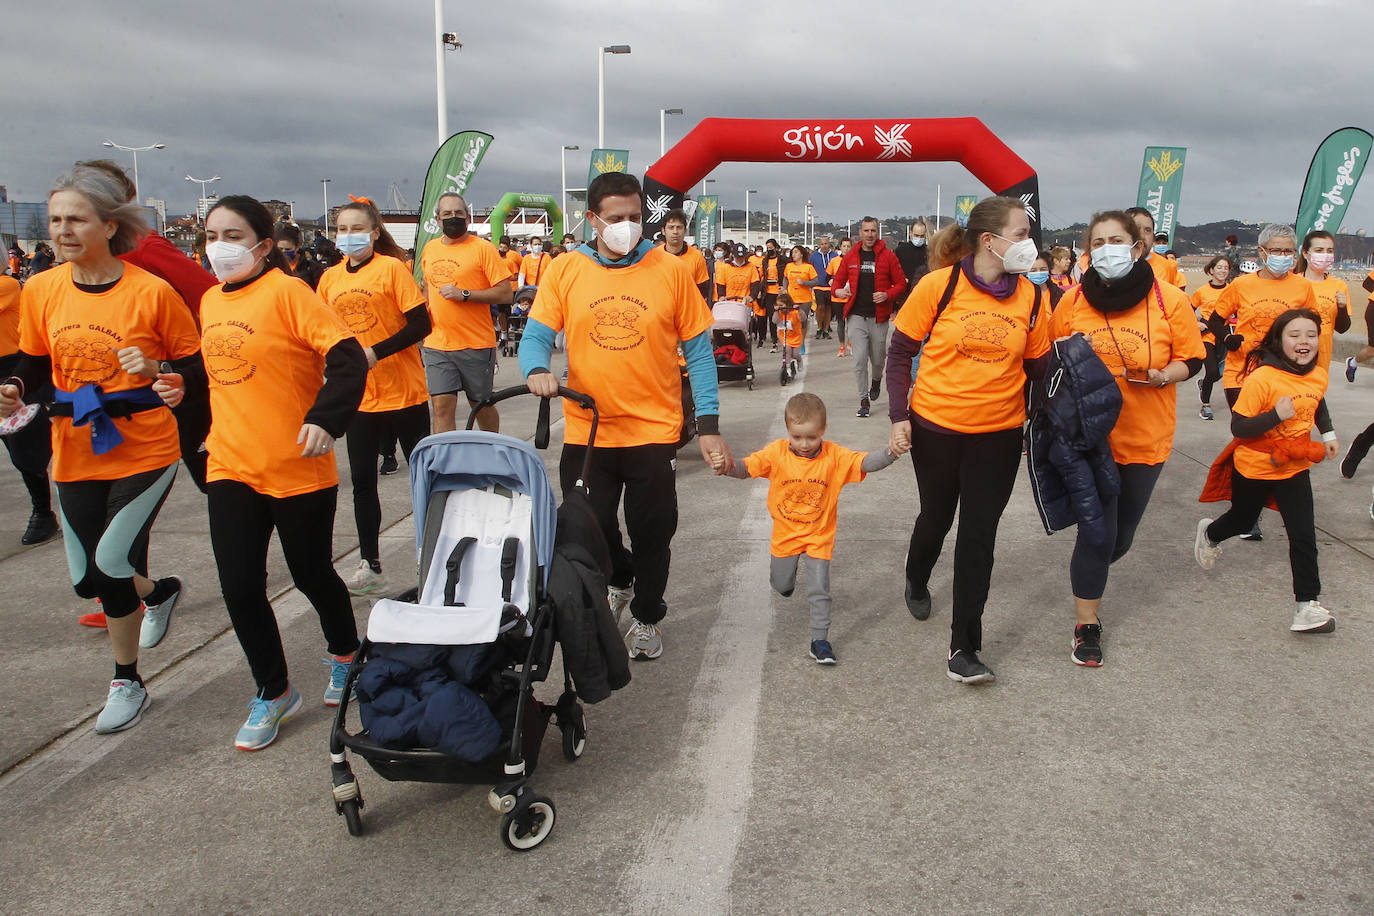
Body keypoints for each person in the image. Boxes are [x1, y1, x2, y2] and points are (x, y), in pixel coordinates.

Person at [0, 164, 201, 733]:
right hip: (74, 445)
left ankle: (127, 680)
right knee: (87, 580)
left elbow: (191, 363)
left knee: (112, 564)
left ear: (109, 226)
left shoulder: (151, 293)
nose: (63, 230)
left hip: (145, 445)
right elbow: (35, 361)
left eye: (76, 220)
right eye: (56, 219)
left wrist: (162, 370)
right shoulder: (41, 289)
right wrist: (15, 388)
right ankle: (159, 593)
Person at [519, 171, 733, 661]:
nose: (627, 226)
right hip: (588, 429)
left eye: (636, 217)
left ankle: (647, 615)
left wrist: (709, 426)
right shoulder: (565, 270)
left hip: (654, 430)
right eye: (616, 218)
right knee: (589, 529)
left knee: (654, 530)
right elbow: (536, 335)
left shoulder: (671, 270)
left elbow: (699, 355)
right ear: (592, 219)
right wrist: (535, 369)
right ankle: (619, 576)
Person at [200, 195, 368, 750]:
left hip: (297, 464)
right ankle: (273, 691)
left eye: (231, 235)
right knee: (240, 584)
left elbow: (345, 357)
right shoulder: (208, 302)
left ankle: (346, 654)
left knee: (311, 572)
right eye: (210, 235)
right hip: (230, 464)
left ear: (264, 245)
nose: (218, 247)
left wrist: (327, 418)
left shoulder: (289, 293)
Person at [884, 196, 1049, 684]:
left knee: (978, 536)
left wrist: (1041, 422)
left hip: (997, 437)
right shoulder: (939, 286)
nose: (1028, 244)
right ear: (988, 240)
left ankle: (963, 646)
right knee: (936, 516)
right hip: (935, 428)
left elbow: (1040, 369)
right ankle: (917, 576)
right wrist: (898, 416)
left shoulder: (1034, 297)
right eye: (1020, 234)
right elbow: (899, 353)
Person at [1047, 210, 1205, 667]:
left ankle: (1093, 570)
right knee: (1097, 534)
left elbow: (1193, 359)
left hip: (1147, 434)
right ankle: (1087, 625)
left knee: (1121, 538)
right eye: (1097, 242)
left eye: (1116, 239)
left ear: (1137, 246)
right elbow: (1051, 361)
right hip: (1089, 440)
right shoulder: (1073, 301)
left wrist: (1163, 375)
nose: (1107, 248)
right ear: (1087, 252)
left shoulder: (1170, 299)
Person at [722, 393, 901, 663]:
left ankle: (820, 641)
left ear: (823, 431)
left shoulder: (834, 456)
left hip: (820, 536)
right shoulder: (776, 453)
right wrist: (725, 466)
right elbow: (746, 468)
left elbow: (865, 462)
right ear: (788, 432)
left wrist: (891, 453)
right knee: (781, 583)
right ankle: (784, 583)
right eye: (797, 437)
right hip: (786, 536)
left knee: (820, 590)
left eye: (811, 437)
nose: (804, 444)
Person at [1195, 309, 1339, 634]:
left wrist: (1328, 434)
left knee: (1303, 534)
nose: (1304, 341)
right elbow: (1240, 427)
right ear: (1279, 340)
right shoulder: (1262, 378)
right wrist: (1276, 415)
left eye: (1310, 335)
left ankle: (1307, 606)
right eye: (1295, 335)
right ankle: (1211, 534)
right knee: (1243, 519)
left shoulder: (1318, 373)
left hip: (1294, 465)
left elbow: (1318, 402)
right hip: (1256, 464)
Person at [316, 197, 432, 598]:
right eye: (341, 230)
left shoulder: (392, 270)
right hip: (360, 399)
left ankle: (431, 555)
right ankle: (372, 564)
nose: (347, 237)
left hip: (404, 393)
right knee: (363, 483)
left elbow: (422, 324)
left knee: (424, 481)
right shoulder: (329, 279)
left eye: (355, 229)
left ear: (375, 232)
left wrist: (375, 353)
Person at [418, 193, 512, 433]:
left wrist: (466, 295)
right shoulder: (429, 249)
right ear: (437, 219)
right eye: (447, 214)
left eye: (459, 213)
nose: (453, 218)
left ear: (468, 218)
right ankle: (445, 462)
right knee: (441, 407)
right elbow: (428, 287)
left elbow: (505, 294)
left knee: (480, 405)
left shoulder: (483, 249)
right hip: (437, 343)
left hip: (475, 343)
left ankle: (491, 449)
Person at [0, 266, 57, 545]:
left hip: (13, 370)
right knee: (15, 447)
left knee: (25, 445)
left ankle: (42, 512)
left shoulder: (6, 285)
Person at [831, 217, 907, 418]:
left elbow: (901, 284)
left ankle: (876, 380)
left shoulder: (888, 256)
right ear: (860, 233)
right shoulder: (851, 256)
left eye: (873, 230)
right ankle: (863, 399)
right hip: (856, 316)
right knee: (859, 359)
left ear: (877, 232)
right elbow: (836, 282)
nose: (870, 234)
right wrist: (838, 292)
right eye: (866, 231)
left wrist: (887, 295)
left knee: (878, 359)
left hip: (879, 317)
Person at [1295, 230, 1350, 373]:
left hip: (1322, 358)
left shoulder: (1338, 286)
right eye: (1319, 250)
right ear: (1306, 253)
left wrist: (1342, 308)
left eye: (1329, 251)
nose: (1325, 254)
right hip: (1294, 356)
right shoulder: (1293, 282)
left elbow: (1342, 328)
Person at [1191, 256, 1232, 420]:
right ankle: (1205, 405)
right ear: (1212, 270)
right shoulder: (1202, 291)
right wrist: (1197, 323)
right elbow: (1188, 310)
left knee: (1219, 373)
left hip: (1224, 334)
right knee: (1212, 370)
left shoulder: (1233, 289)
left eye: (1226, 268)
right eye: (1220, 267)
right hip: (1207, 335)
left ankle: (1204, 383)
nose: (1223, 271)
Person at [661, 209, 712, 303]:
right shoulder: (655, 256)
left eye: (679, 227)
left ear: (685, 230)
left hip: (687, 310)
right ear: (663, 231)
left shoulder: (696, 256)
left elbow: (702, 290)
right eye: (671, 227)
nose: (675, 232)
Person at [1127, 209, 1185, 290]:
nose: (1142, 236)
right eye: (1136, 229)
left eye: (1147, 230)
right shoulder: (1109, 265)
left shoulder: (1167, 266)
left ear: (1152, 237)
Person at [893, 219, 930, 309]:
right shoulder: (901, 250)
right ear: (910, 233)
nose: (919, 238)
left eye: (922, 236)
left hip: (923, 296)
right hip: (904, 296)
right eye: (916, 235)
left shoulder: (929, 252)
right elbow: (893, 270)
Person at [809, 236, 840, 339]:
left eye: (826, 243)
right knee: (820, 306)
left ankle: (826, 329)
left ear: (829, 244)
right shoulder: (814, 256)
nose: (824, 246)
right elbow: (810, 269)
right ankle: (819, 328)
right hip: (818, 286)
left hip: (831, 286)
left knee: (828, 308)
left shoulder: (834, 256)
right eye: (822, 244)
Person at [274, 222, 323, 290]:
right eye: (280, 249)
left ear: (297, 247)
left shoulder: (312, 269)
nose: (283, 252)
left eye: (288, 249)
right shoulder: (272, 268)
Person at [759, 239, 786, 352]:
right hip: (768, 291)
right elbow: (762, 276)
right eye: (767, 248)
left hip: (779, 291)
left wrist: (783, 286)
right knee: (771, 316)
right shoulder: (765, 261)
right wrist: (761, 290)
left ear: (775, 247)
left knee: (782, 316)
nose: (769, 250)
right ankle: (774, 341)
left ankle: (784, 338)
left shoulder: (782, 260)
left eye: (771, 247)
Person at [783, 244, 819, 329]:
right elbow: (785, 278)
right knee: (792, 319)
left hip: (804, 299)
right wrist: (785, 288)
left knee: (802, 320)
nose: (793, 254)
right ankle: (794, 339)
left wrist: (804, 282)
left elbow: (815, 281)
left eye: (796, 252)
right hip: (791, 297)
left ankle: (802, 340)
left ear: (802, 254)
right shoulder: (789, 266)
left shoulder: (808, 267)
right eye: (792, 252)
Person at [828, 237, 853, 355]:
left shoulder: (855, 260)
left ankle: (850, 342)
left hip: (851, 295)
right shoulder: (834, 261)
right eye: (844, 246)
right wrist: (831, 281)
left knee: (852, 322)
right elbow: (827, 276)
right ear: (840, 247)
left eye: (848, 246)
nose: (846, 248)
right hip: (837, 297)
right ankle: (842, 346)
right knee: (841, 322)